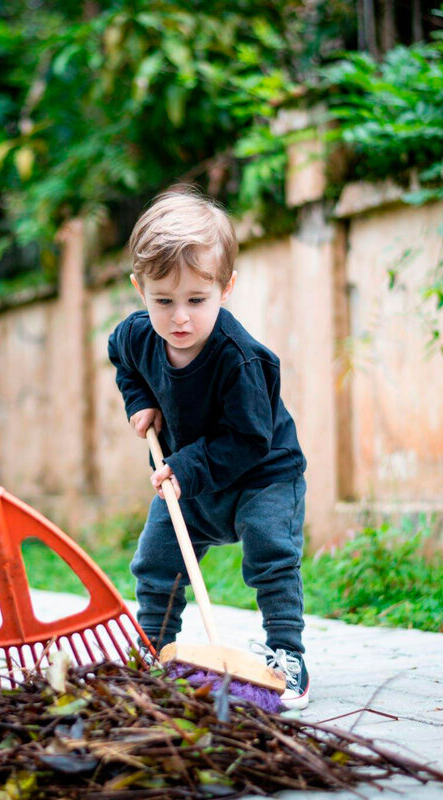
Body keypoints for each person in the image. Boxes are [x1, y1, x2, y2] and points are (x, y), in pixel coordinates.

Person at [107, 189, 311, 710]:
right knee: (156, 559)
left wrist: (186, 466)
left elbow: (248, 438)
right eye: (163, 301)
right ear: (140, 289)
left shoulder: (241, 361)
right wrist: (141, 401)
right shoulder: (137, 336)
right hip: (189, 478)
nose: (180, 318)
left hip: (260, 475)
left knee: (270, 552)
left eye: (197, 300)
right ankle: (153, 649)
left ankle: (286, 654)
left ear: (226, 288)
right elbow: (122, 360)